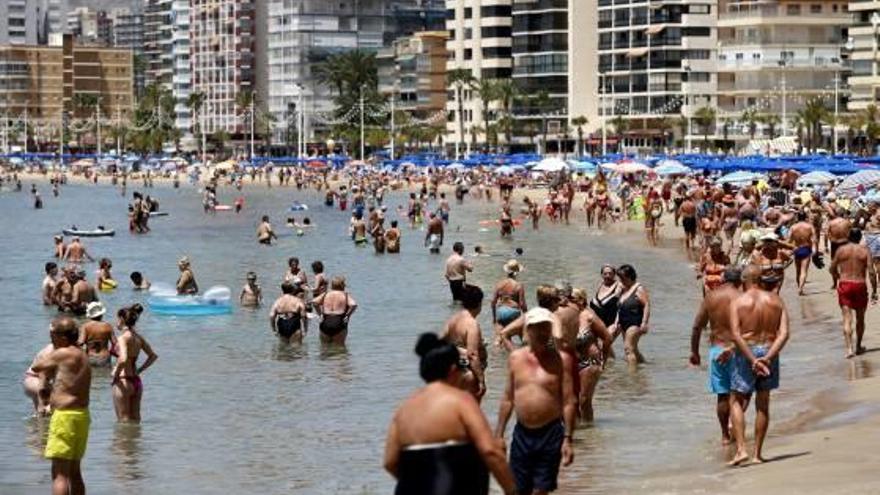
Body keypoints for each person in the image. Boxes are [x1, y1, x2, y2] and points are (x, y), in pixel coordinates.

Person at [384, 334, 517, 495]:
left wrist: (420, 481)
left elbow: (390, 462)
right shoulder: (461, 402)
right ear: (453, 370)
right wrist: (512, 490)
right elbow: (490, 451)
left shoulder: (404, 409)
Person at [496, 307, 576, 495]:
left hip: (550, 433)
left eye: (545, 327)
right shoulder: (516, 358)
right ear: (527, 330)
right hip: (522, 433)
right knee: (516, 489)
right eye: (536, 327)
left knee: (540, 491)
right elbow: (508, 398)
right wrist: (498, 435)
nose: (541, 332)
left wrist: (568, 439)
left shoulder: (562, 360)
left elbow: (568, 401)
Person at [728, 266, 790, 466]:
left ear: (743, 280)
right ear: (760, 279)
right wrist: (768, 358)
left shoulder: (738, 302)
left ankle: (741, 450)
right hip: (769, 350)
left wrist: (753, 360)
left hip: (747, 352)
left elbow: (736, 334)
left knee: (736, 401)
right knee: (763, 404)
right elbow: (784, 334)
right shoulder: (776, 300)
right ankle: (757, 454)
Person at [30, 317, 92, 495]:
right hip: (81, 415)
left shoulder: (62, 353)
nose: (51, 338)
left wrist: (52, 352)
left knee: (60, 474)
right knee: (75, 472)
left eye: (53, 334)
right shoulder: (82, 354)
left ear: (64, 338)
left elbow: (37, 366)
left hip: (65, 416)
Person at [689, 268, 743, 445]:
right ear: (739, 281)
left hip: (717, 350)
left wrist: (694, 352)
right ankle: (735, 426)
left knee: (722, 395)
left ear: (723, 279)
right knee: (740, 393)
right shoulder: (742, 297)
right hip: (738, 349)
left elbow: (697, 326)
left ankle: (724, 436)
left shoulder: (711, 297)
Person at [831, 228, 878, 358]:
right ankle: (858, 346)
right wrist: (874, 289)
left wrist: (838, 278)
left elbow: (832, 268)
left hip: (845, 284)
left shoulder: (841, 250)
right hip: (860, 285)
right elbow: (871, 271)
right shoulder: (865, 250)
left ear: (848, 237)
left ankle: (849, 349)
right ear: (859, 237)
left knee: (847, 318)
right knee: (860, 318)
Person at [570, 288, 612, 421]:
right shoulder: (567, 316)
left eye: (572, 300)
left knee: (584, 400)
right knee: (572, 400)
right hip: (571, 363)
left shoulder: (589, 316)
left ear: (581, 300)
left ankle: (589, 430)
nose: (567, 303)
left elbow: (607, 338)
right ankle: (577, 430)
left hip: (589, 363)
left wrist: (603, 359)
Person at [441, 284, 488, 401]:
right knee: (470, 410)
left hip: (454, 371)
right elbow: (472, 355)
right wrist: (481, 380)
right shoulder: (472, 324)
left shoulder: (453, 319)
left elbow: (440, 342)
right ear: (479, 303)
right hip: (468, 372)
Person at [111, 305, 158, 422]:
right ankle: (136, 440)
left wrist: (116, 373)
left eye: (117, 318)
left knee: (123, 421)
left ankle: (126, 441)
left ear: (121, 319)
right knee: (136, 418)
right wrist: (140, 370)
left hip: (123, 380)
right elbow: (153, 356)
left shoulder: (123, 338)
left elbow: (123, 358)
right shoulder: (138, 338)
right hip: (136, 381)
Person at [611, 264, 651, 364]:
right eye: (620, 278)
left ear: (630, 276)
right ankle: (642, 366)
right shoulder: (624, 289)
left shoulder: (639, 289)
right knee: (633, 349)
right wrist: (616, 322)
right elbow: (619, 308)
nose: (621, 281)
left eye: (623, 278)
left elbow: (647, 305)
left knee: (628, 349)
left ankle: (632, 376)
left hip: (634, 322)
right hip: (622, 322)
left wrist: (644, 323)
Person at [313, 276, 358, 345]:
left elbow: (315, 302)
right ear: (342, 285)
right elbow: (354, 304)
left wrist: (320, 314)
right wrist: (348, 315)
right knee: (339, 349)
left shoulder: (326, 294)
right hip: (339, 321)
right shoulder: (345, 295)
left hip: (325, 321)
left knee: (324, 349)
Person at [491, 260, 527, 334]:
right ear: (517, 272)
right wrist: (527, 317)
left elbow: (493, 302)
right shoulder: (518, 285)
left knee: (500, 337)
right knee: (522, 335)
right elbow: (522, 304)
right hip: (513, 312)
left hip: (501, 312)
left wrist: (494, 318)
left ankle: (497, 343)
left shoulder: (499, 284)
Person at [788, 210, 818, 295]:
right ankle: (801, 288)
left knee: (798, 271)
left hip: (797, 249)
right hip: (806, 249)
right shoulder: (809, 226)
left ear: (797, 217)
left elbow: (789, 240)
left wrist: (788, 250)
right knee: (803, 271)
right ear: (805, 217)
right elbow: (814, 239)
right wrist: (815, 250)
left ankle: (799, 287)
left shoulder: (793, 227)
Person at [78, 302, 116, 368]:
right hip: (104, 357)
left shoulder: (86, 326)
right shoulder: (108, 326)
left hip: (91, 356)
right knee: (104, 377)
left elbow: (81, 342)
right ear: (101, 314)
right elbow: (115, 343)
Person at [23, 343, 54, 415]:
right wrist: (41, 402)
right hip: (34, 379)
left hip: (41, 381)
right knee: (44, 408)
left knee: (42, 415)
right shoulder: (51, 350)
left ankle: (38, 423)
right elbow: (42, 375)